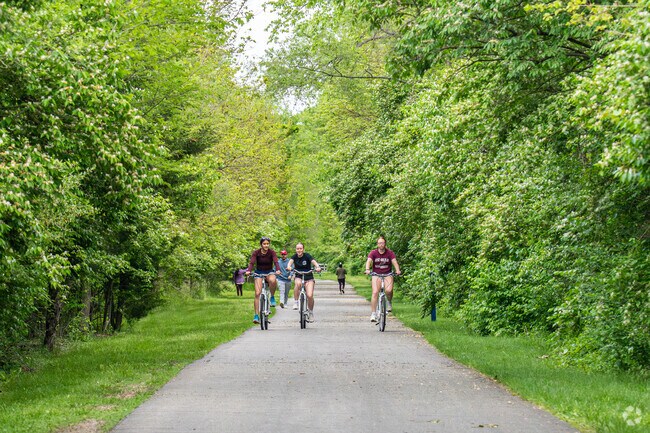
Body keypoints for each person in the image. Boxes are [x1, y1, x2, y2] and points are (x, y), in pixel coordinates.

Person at [365, 236, 401, 322]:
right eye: (380, 243)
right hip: (376, 274)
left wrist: (397, 270)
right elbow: (369, 261)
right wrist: (367, 269)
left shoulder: (390, 253)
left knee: (388, 290)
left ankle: (389, 302)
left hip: (387, 274)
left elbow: (394, 261)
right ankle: (373, 313)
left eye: (383, 243)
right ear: (377, 244)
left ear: (385, 244)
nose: (381, 244)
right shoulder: (373, 253)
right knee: (375, 292)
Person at [245, 237, 281, 324]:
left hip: (269, 272)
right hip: (259, 273)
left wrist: (278, 269)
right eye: (264, 244)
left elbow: (276, 262)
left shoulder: (272, 252)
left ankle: (272, 297)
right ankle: (256, 315)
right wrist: (249, 270)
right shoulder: (256, 253)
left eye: (267, 244)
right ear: (261, 244)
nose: (266, 245)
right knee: (257, 293)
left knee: (273, 280)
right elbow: (252, 263)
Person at [286, 242, 321, 322]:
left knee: (309, 295)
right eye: (297, 248)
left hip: (308, 277)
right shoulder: (294, 257)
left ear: (303, 249)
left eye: (300, 248)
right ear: (296, 249)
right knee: (297, 284)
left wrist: (317, 267)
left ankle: (311, 312)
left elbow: (313, 262)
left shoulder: (307, 256)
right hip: (299, 275)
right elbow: (290, 262)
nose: (299, 250)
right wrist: (288, 267)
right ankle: (296, 302)